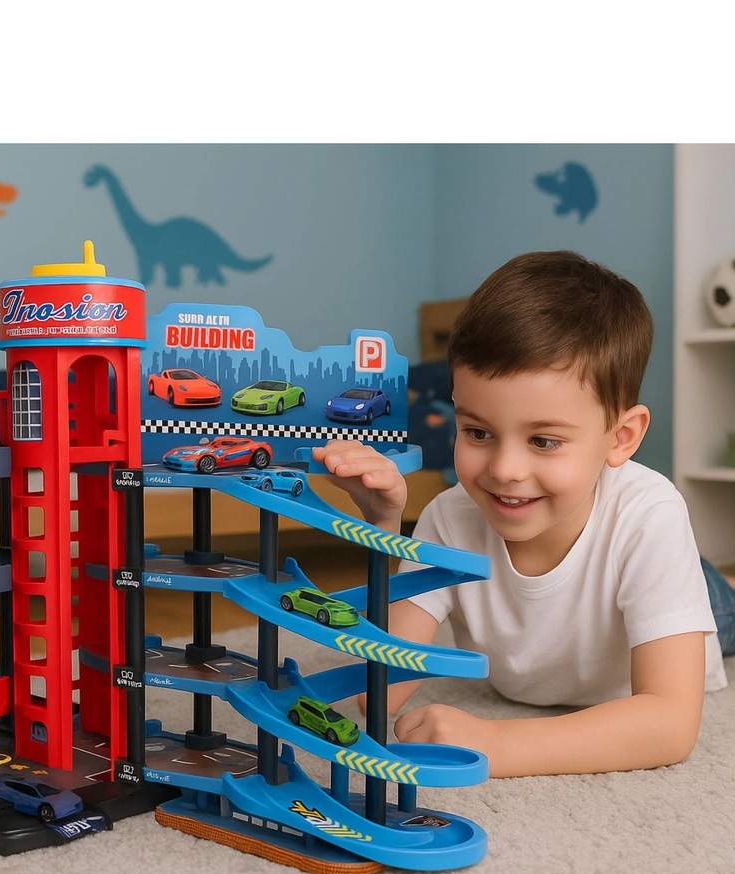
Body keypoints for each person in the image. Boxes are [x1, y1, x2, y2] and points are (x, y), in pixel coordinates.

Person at [313, 250, 731, 778]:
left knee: (718, 606)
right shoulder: (450, 517)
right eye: (478, 432)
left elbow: (670, 725)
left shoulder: (650, 515)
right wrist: (384, 528)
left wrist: (495, 742)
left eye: (543, 441)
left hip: (686, 590)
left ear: (621, 438)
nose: (504, 469)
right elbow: (378, 691)